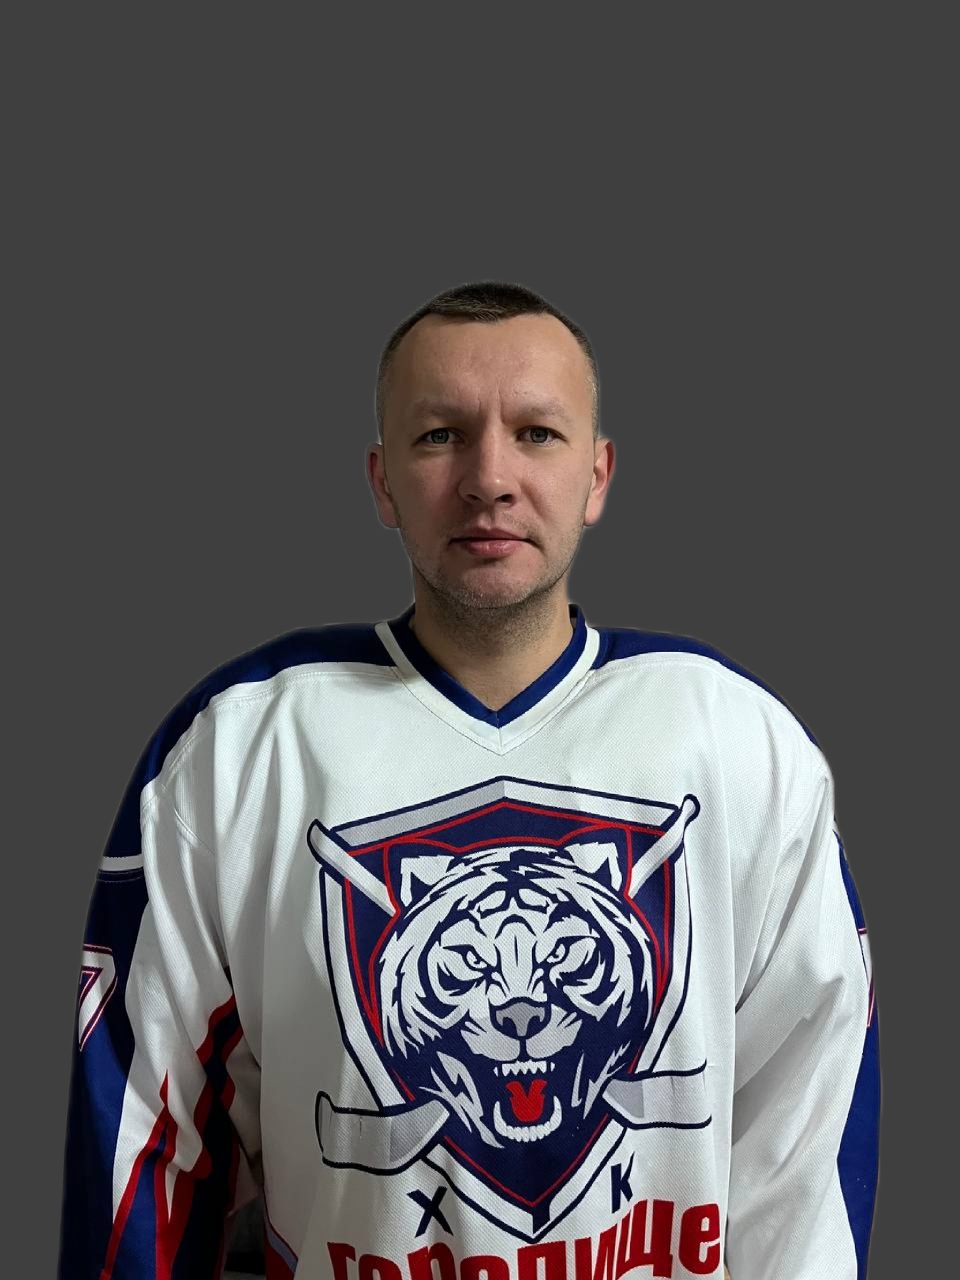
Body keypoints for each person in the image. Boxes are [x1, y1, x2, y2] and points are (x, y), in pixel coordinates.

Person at [58, 281, 880, 1279]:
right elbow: (143, 1147)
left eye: (536, 433)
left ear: (596, 474)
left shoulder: (741, 740)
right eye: (441, 435)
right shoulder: (236, 748)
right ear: (383, 482)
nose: (490, 478)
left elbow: (805, 1153)